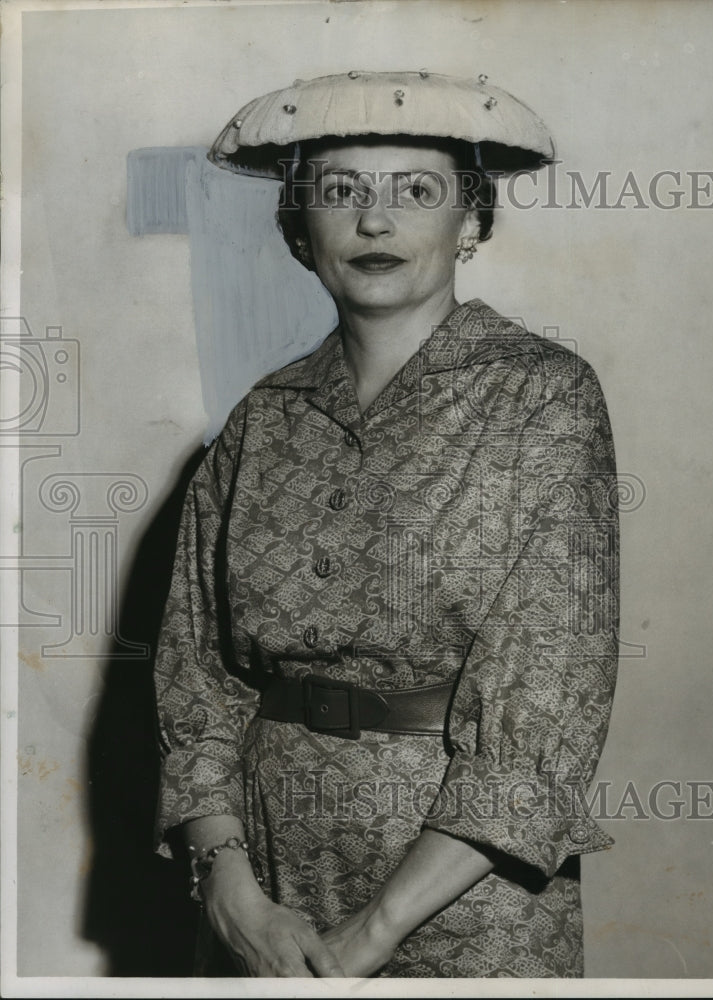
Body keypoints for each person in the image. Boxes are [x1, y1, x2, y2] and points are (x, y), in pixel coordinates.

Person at [153, 70, 620, 979]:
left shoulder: (543, 398)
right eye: (339, 193)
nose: (375, 222)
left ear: (472, 224)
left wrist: (371, 934)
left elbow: (546, 705)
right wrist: (229, 887)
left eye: (417, 192)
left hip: (465, 894)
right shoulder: (264, 417)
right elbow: (192, 675)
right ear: (299, 232)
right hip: (265, 879)